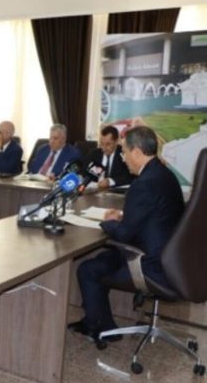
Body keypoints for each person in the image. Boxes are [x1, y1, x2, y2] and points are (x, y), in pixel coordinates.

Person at [68, 126, 184, 343]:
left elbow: (123, 235)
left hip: (150, 264)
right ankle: (101, 323)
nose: (123, 158)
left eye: (124, 152)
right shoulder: (165, 175)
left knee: (88, 269)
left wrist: (108, 222)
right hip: (171, 259)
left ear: (137, 152)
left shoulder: (143, 184)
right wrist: (123, 216)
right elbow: (153, 213)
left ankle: (99, 327)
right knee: (101, 261)